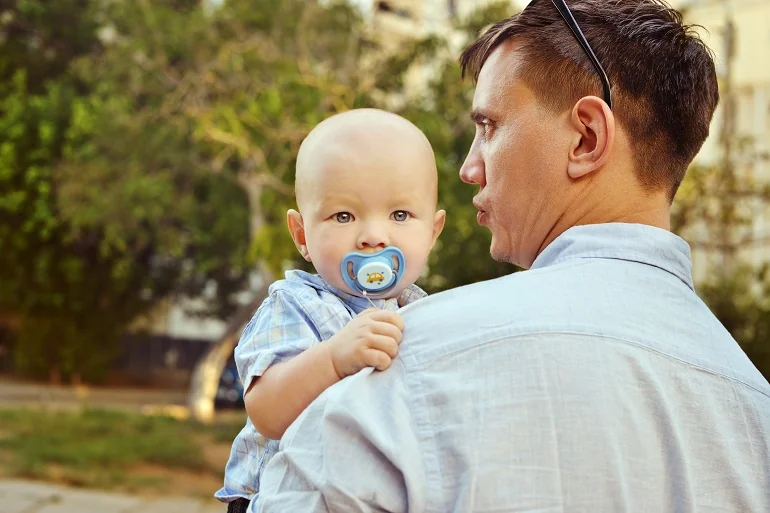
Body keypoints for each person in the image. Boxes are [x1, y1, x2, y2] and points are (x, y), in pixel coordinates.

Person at [254, 1, 770, 512]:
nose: (469, 168)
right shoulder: (755, 409)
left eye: (489, 127)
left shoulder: (412, 357)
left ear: (587, 139)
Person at [215, 108, 446, 513]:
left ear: (432, 232)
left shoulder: (427, 314)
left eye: (399, 215)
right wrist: (334, 359)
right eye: (344, 215)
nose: (373, 236)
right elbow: (267, 412)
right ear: (302, 234)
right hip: (279, 499)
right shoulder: (295, 304)